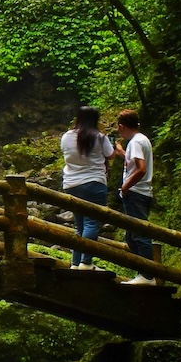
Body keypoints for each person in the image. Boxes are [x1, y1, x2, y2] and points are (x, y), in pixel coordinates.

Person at [60, 106, 114, 270]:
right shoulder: (99, 137)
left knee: (80, 226)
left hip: (72, 185)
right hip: (94, 183)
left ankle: (76, 263)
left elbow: (66, 154)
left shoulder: (66, 136)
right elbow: (110, 155)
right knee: (91, 223)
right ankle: (86, 262)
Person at [114, 109, 156, 285]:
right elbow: (135, 162)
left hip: (136, 193)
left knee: (139, 234)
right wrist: (122, 152)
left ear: (122, 126)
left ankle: (147, 276)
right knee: (132, 236)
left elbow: (141, 169)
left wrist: (125, 187)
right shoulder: (140, 140)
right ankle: (143, 273)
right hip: (140, 192)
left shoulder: (136, 142)